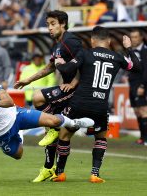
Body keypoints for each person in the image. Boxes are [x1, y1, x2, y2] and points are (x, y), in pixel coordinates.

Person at [50, 26, 141, 183]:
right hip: (100, 106)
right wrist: (129, 48)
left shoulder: (85, 53)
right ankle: (95, 174)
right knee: (100, 137)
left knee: (64, 135)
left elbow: (68, 68)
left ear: (92, 40)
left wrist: (58, 63)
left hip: (79, 103)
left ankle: (60, 173)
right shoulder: (117, 57)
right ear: (109, 41)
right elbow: (137, 67)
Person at [14, 10, 82, 182]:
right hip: (67, 90)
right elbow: (49, 68)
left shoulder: (71, 41)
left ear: (63, 24)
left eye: (53, 24)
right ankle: (48, 168)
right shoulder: (58, 45)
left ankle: (58, 166)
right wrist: (27, 80)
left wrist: (74, 82)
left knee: (38, 98)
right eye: (48, 24)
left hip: (78, 91)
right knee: (50, 125)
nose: (50, 28)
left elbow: (84, 61)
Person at [129, 29, 147, 146]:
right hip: (132, 85)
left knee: (144, 111)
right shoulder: (130, 51)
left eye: (135, 37)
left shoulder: (145, 51)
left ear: (141, 38)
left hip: (141, 85)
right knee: (137, 111)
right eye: (132, 37)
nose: (133, 39)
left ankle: (146, 139)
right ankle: (142, 137)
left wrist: (143, 85)